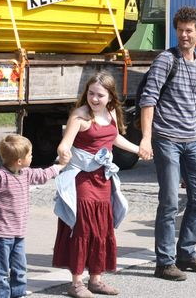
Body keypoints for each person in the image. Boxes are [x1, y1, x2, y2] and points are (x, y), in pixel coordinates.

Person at [139, 6, 196, 281]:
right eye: (180, 30)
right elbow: (149, 98)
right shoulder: (165, 59)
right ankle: (164, 261)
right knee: (170, 200)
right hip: (166, 139)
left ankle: (186, 254)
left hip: (191, 140)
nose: (184, 35)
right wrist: (146, 138)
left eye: (189, 31)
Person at [53, 72, 140, 298]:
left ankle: (96, 279)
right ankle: (76, 282)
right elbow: (65, 145)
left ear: (110, 97)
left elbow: (113, 138)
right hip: (82, 178)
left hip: (103, 179)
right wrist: (63, 152)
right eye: (91, 93)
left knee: (102, 227)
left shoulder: (110, 113)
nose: (94, 99)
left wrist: (138, 149)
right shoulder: (80, 116)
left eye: (99, 95)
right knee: (82, 227)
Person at [0, 134, 67, 298]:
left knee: (20, 269)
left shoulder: (26, 173)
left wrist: (60, 166)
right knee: (1, 271)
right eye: (30, 154)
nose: (32, 156)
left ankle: (18, 294)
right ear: (20, 161)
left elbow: (42, 175)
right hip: (0, 233)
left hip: (18, 233)